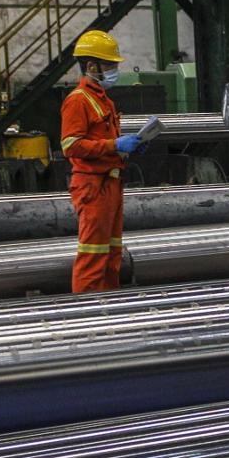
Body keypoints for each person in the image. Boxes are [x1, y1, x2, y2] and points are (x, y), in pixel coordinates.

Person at [61, 29, 143, 293]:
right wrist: (114, 145)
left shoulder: (102, 100)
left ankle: (108, 307)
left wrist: (124, 150)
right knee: (93, 256)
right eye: (109, 65)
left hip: (110, 185)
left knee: (111, 254)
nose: (113, 70)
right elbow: (70, 145)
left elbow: (100, 141)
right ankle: (87, 316)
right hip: (93, 187)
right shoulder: (78, 101)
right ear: (91, 66)